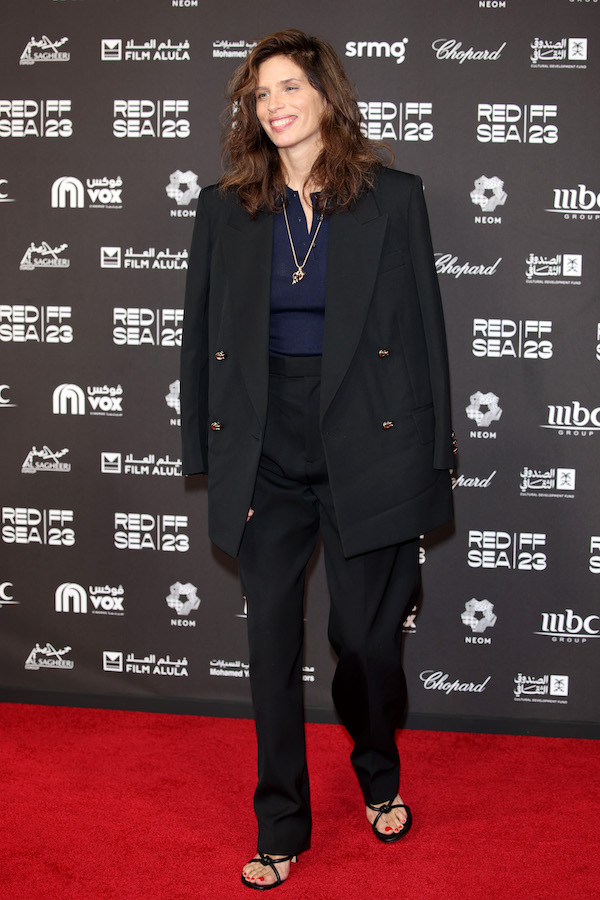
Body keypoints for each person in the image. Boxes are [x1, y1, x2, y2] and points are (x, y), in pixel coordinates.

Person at [180, 28, 455, 891]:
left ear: (326, 94)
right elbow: (199, 337)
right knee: (268, 639)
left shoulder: (393, 197)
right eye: (261, 94)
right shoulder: (227, 206)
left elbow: (426, 340)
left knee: (366, 641)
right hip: (265, 442)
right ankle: (281, 823)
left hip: (368, 440)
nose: (275, 106)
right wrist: (206, 453)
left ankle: (377, 768)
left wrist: (431, 460)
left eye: (290, 86)